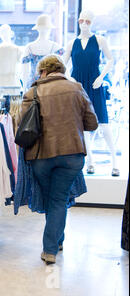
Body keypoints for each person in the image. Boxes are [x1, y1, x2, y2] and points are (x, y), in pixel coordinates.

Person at [19, 54, 98, 265]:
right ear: (61, 71)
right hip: (72, 155)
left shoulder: (33, 92)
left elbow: (21, 126)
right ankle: (55, 243)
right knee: (58, 200)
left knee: (52, 199)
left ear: (43, 72)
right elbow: (92, 123)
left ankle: (50, 249)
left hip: (41, 156)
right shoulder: (77, 88)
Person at [64, 10, 118, 176]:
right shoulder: (72, 43)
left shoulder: (100, 40)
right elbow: (62, 66)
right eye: (82, 21)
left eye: (88, 21)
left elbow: (110, 59)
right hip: (78, 87)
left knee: (104, 123)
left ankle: (115, 162)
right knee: (83, 126)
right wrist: (70, 80)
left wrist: (102, 77)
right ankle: (91, 162)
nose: (84, 24)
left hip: (95, 84)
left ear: (92, 23)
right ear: (78, 22)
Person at [22, 14, 64, 90]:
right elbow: (62, 70)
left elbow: (25, 73)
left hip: (35, 84)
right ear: (49, 29)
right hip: (49, 84)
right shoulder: (55, 47)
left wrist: (24, 88)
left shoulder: (29, 47)